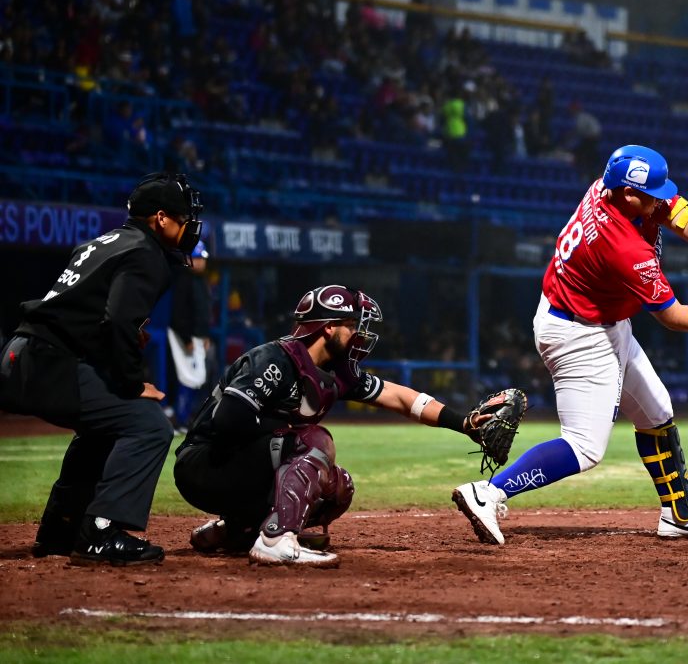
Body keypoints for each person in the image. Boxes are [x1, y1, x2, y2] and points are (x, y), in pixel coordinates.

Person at [453, 145, 688, 545]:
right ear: (629, 194)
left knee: (657, 410)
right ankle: (488, 493)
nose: (661, 201)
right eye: (652, 195)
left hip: (599, 319)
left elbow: (687, 218)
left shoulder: (610, 188)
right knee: (585, 447)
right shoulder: (623, 246)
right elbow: (673, 316)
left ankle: (678, 516)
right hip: (579, 334)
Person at [174, 285, 505, 567]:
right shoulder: (274, 360)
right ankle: (275, 539)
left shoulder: (335, 370)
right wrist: (285, 434)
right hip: (204, 465)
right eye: (351, 325)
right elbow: (228, 421)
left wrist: (465, 423)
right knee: (313, 441)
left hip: (238, 466)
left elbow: (401, 399)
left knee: (337, 487)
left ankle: (235, 531)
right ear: (328, 328)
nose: (358, 334)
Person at [0, 172, 204, 565]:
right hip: (48, 364)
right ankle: (100, 531)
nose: (190, 225)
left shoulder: (102, 242)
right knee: (149, 425)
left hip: (21, 355)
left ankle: (60, 528)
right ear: (161, 218)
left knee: (106, 424)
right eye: (184, 217)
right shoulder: (145, 252)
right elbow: (117, 322)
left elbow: (85, 316)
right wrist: (133, 383)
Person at [166, 239, 212, 431]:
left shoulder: (200, 280)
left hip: (196, 336)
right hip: (183, 336)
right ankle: (179, 420)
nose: (201, 262)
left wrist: (205, 335)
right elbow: (178, 315)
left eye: (202, 258)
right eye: (197, 258)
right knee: (186, 378)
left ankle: (185, 419)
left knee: (197, 378)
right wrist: (186, 339)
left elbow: (203, 312)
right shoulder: (183, 279)